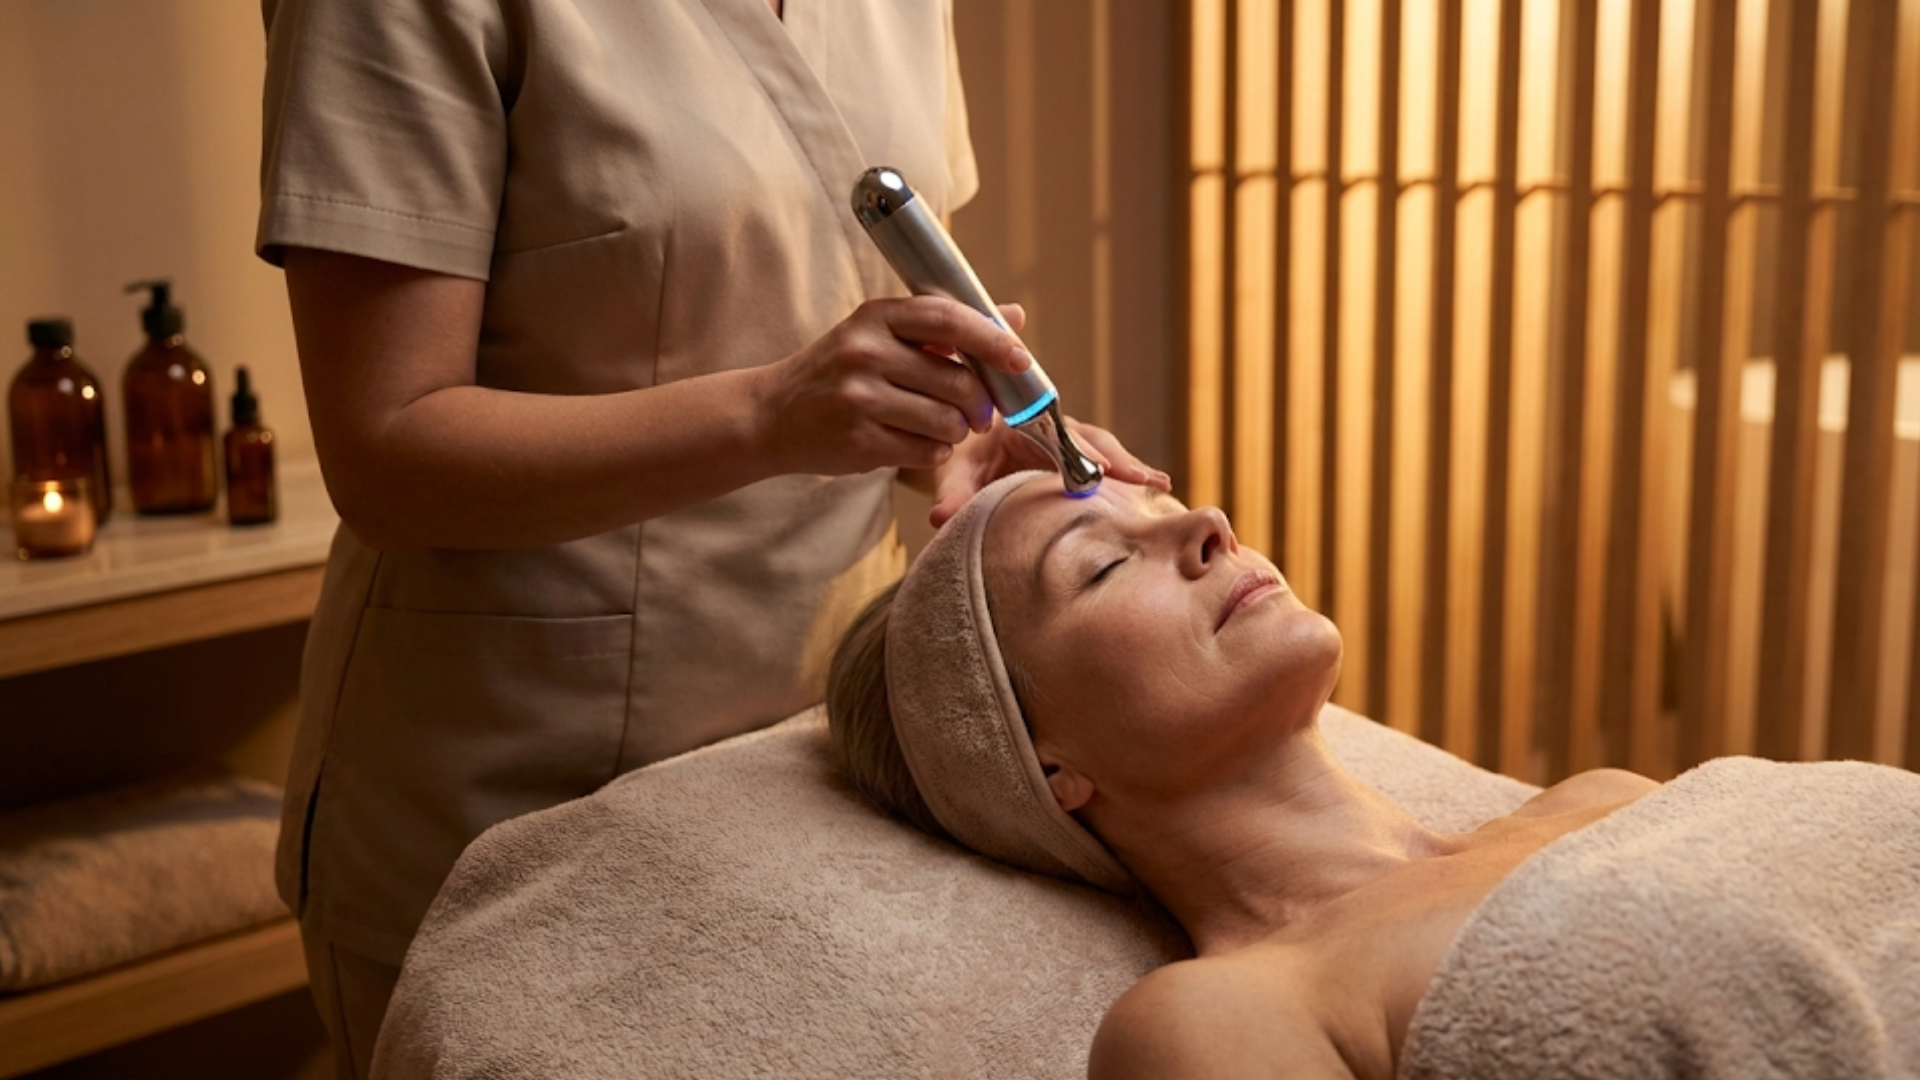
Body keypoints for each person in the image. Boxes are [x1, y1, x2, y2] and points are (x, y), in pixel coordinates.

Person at [254, 2, 1164, 1076]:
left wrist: (954, 435)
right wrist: (772, 414)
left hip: (813, 768)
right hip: (516, 774)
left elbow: (836, 300)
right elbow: (384, 450)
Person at [825, 473, 1663, 1079]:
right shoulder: (1221, 1020)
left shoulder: (1606, 799)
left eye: (1163, 502)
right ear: (1045, 767)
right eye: (1103, 565)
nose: (1210, 521)